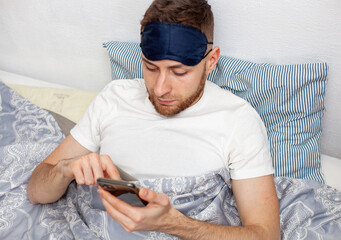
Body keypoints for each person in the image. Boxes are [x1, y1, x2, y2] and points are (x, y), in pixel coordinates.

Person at [27, 0, 280, 239]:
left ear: (211, 61)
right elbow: (36, 190)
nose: (160, 89)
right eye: (150, 67)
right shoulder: (114, 98)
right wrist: (65, 169)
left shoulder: (238, 119)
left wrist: (174, 223)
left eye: (179, 72)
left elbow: (265, 234)